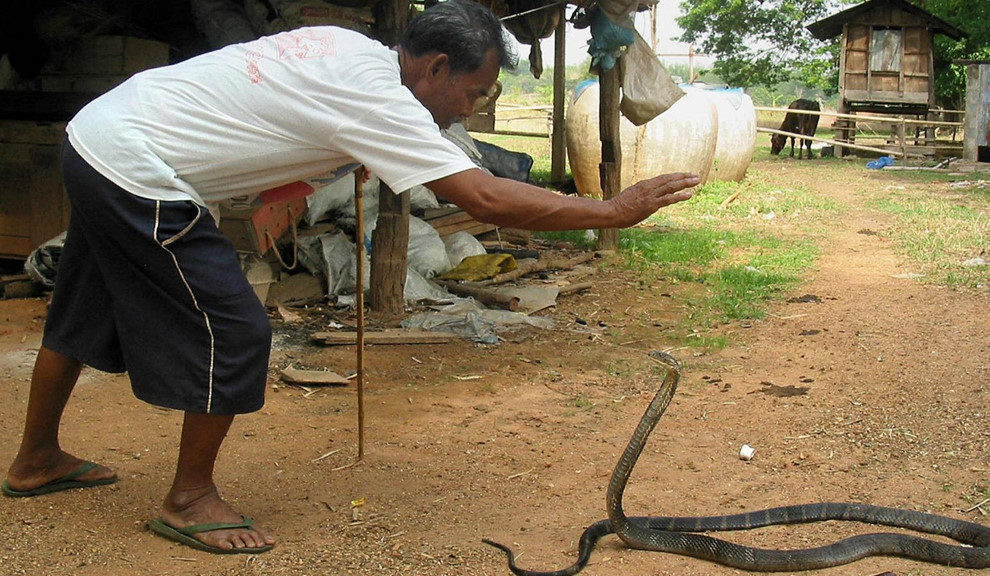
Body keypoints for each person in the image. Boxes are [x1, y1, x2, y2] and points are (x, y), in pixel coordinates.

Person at [2, 0, 700, 555]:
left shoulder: (351, 50)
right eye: (472, 92)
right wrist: (609, 208)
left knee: (82, 311)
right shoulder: (384, 100)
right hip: (137, 170)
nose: (472, 109)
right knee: (237, 329)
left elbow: (283, 119)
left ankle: (36, 460)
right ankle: (187, 500)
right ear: (431, 66)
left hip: (98, 136)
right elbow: (482, 198)